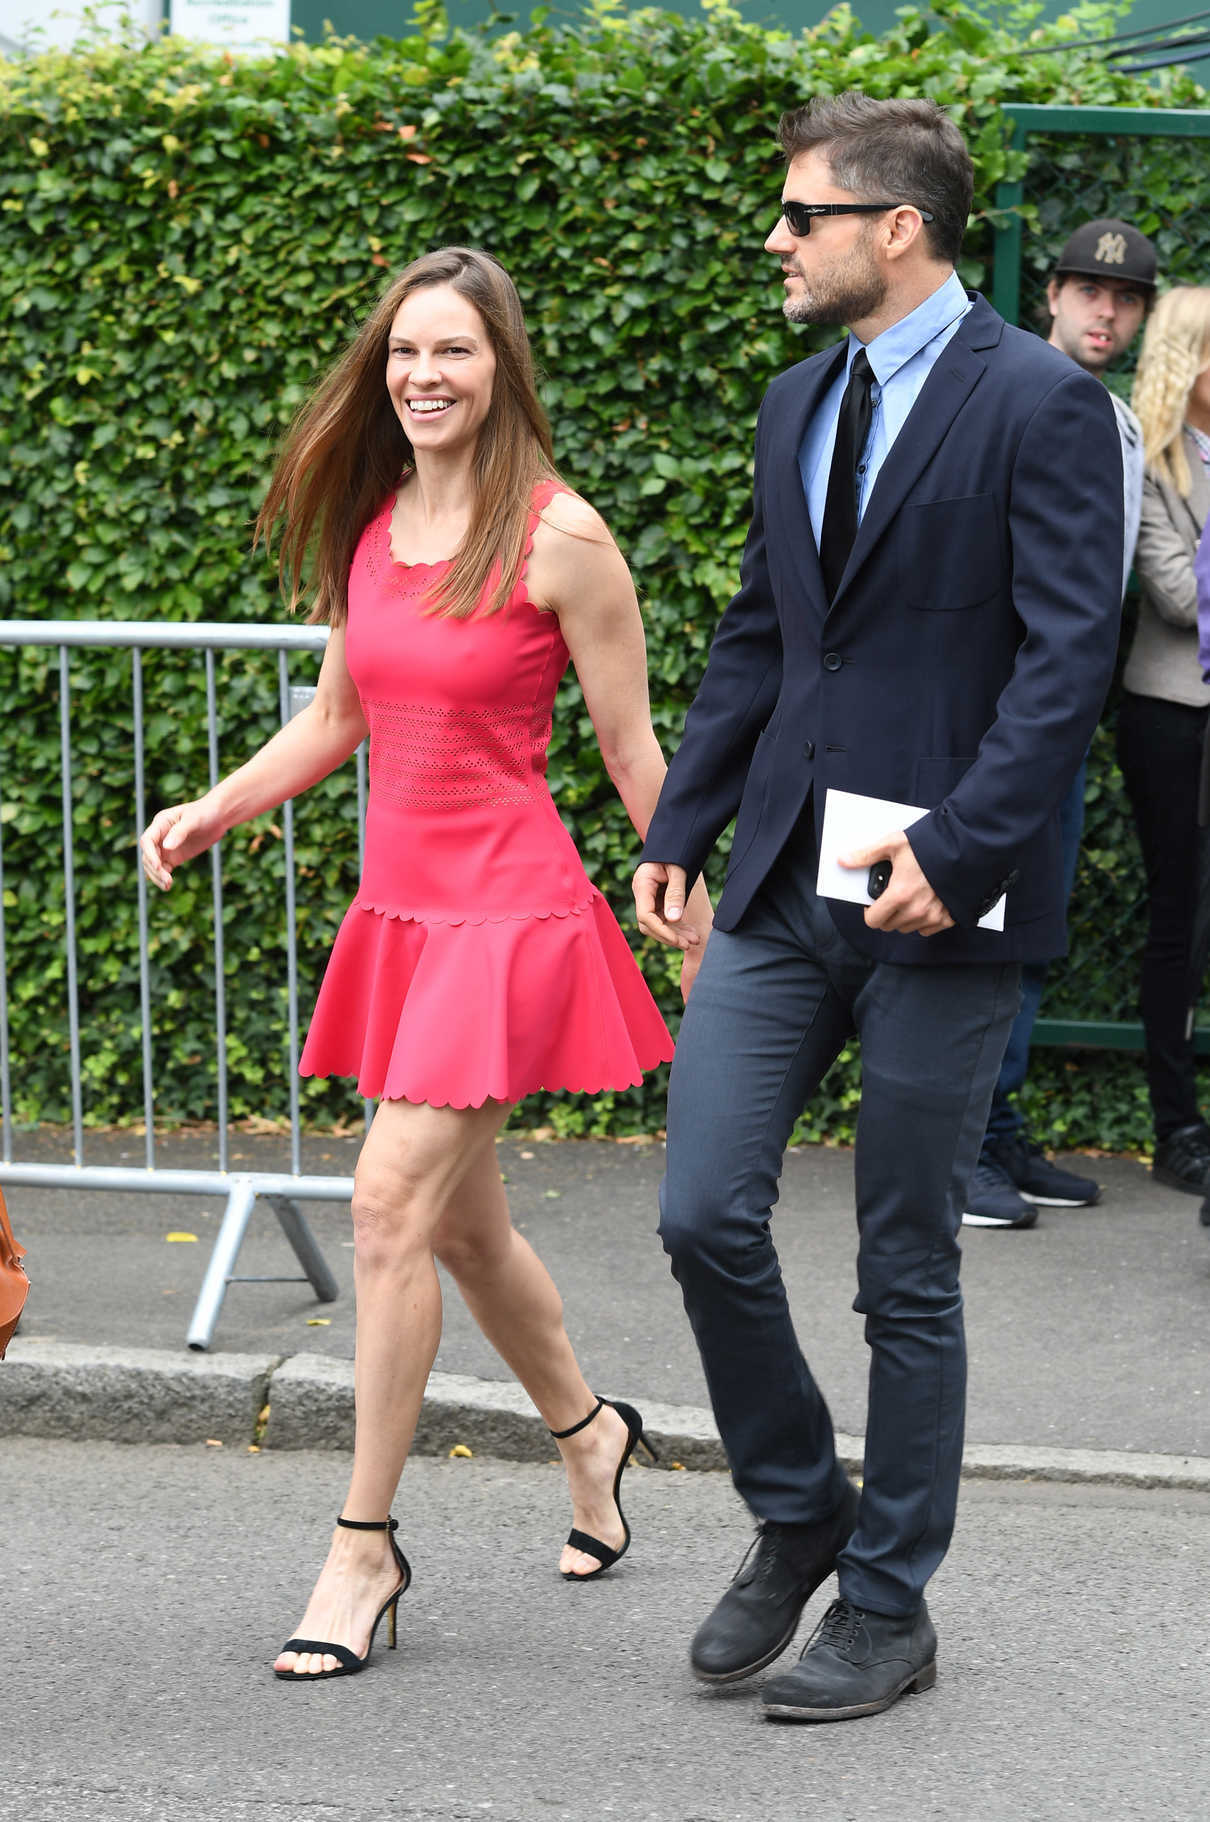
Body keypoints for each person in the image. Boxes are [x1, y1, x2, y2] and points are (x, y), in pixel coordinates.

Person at [140, 246, 709, 1681]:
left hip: (509, 919)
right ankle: (592, 1433)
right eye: (404, 352)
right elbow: (336, 717)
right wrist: (216, 804)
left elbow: (633, 747)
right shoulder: (375, 526)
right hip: (403, 915)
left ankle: (362, 1544)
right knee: (457, 1226)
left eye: (451, 350)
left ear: (500, 365)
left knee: (387, 1205)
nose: (422, 375)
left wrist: (705, 912)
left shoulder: (559, 536)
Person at [633, 93, 1123, 1722]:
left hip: (944, 899)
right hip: (785, 878)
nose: (777, 239)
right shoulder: (795, 403)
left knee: (904, 1256)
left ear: (894, 229)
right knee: (703, 1208)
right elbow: (767, 632)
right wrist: (687, 819)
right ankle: (799, 1512)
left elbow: (1068, 660)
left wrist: (968, 844)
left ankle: (891, 1600)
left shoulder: (1043, 402)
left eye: (802, 214)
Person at [963, 217, 1158, 1229]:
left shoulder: (1117, 422)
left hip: (1064, 722)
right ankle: (963, 1152)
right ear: (1050, 294)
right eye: (1088, 289)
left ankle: (996, 1129)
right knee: (983, 932)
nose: (1105, 309)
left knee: (1031, 934)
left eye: (1124, 298)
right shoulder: (1013, 397)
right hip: (1007, 719)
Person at [1116, 287, 1210, 1196]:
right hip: (1175, 715)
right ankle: (1177, 1125)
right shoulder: (1150, 464)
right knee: (1181, 922)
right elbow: (1182, 598)